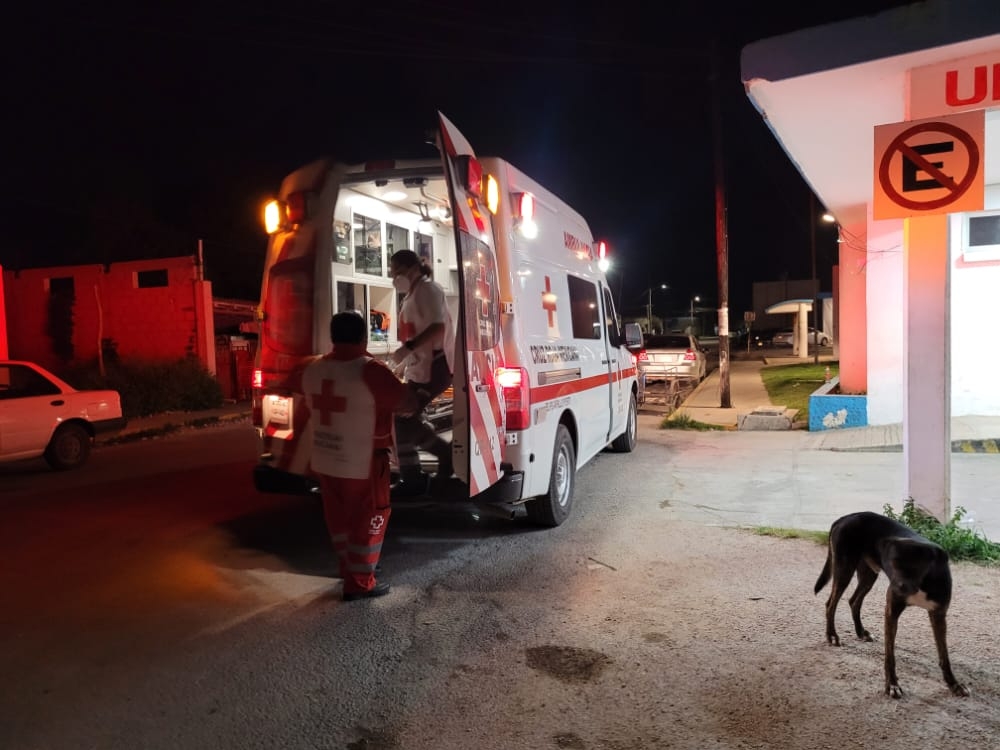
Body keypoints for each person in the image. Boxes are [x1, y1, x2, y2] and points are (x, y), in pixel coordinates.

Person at [299, 311, 418, 601]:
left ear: (333, 337)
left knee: (339, 520)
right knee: (369, 518)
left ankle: (348, 568)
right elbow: (407, 403)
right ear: (364, 337)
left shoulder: (313, 369)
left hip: (325, 459)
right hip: (362, 462)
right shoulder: (370, 370)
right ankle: (360, 582)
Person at [388, 248, 455, 496]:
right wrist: (404, 360)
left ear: (413, 268)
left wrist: (408, 349)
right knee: (403, 418)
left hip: (436, 367)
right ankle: (413, 475)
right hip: (422, 367)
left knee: (402, 416)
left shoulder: (428, 289)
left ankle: (423, 470)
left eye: (397, 272)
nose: (395, 277)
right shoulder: (413, 295)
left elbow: (437, 327)